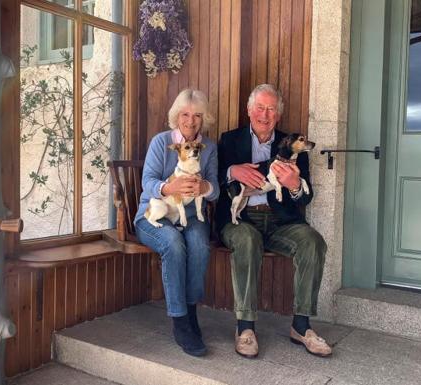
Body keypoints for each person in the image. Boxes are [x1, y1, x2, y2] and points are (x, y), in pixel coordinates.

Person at [216, 84, 331, 358]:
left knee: (313, 242)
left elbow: (306, 197)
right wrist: (234, 171)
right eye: (259, 108)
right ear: (248, 110)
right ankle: (245, 327)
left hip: (281, 222)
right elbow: (213, 177)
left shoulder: (292, 144)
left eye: (271, 109)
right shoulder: (230, 140)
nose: (264, 115)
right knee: (246, 239)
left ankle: (301, 326)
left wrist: (294, 185)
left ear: (278, 115)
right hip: (241, 220)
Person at [134, 89, 219, 356]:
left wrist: (204, 186)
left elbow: (215, 189)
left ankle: (191, 312)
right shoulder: (161, 143)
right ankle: (180, 321)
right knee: (173, 243)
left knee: (199, 244)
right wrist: (169, 187)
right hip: (154, 214)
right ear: (176, 116)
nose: (190, 121)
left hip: (190, 216)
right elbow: (147, 182)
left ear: (203, 119)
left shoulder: (210, 148)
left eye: (196, 115)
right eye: (185, 114)